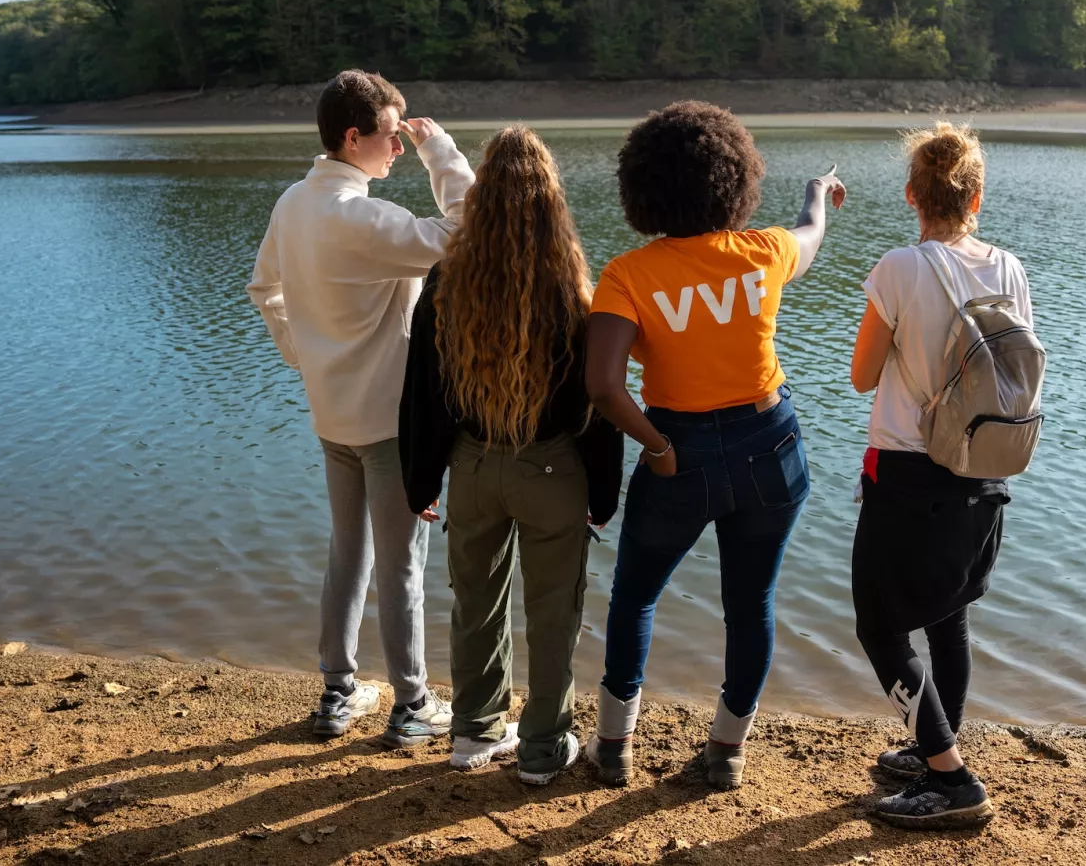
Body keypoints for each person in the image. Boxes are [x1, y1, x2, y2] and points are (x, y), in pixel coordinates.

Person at [583, 101, 845, 790]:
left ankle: (614, 750)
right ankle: (726, 753)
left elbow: (605, 385)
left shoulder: (627, 275)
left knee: (635, 598)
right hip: (770, 444)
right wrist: (818, 192)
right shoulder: (763, 252)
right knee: (751, 602)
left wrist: (656, 447)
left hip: (678, 448)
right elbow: (811, 233)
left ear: (642, 188)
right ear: (735, 181)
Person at [246, 69, 473, 746]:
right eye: (391, 135)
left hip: (331, 415)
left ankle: (337, 693)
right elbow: (468, 230)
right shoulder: (368, 219)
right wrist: (444, 154)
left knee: (348, 554)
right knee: (402, 566)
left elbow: (264, 288)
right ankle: (411, 706)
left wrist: (303, 355)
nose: (398, 148)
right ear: (354, 136)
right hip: (389, 425)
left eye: (406, 139)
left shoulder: (294, 203)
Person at [398, 125, 624, 784]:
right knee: (554, 614)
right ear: (552, 201)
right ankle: (542, 749)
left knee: (475, 603)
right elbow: (599, 406)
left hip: (471, 465)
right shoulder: (574, 288)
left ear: (483, 199)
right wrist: (605, 494)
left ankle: (472, 733)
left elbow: (423, 395)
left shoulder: (445, 282)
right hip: (553, 469)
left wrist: (421, 481)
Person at [847, 121, 1033, 828]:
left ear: (910, 196)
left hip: (907, 473)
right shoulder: (1008, 267)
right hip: (982, 474)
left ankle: (951, 777)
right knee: (946, 617)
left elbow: (864, 375)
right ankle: (936, 746)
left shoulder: (901, 267)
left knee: (878, 627)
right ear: (975, 197)